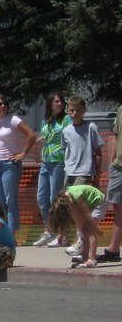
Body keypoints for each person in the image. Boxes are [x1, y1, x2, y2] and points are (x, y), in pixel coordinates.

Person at [0, 94, 36, 236]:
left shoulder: (13, 120)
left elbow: (31, 135)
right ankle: (0, 232)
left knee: (10, 200)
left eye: (4, 103)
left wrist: (23, 153)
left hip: (10, 164)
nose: (2, 106)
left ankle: (11, 233)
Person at [61, 96, 102, 255]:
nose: (75, 113)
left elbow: (98, 152)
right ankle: (80, 236)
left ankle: (81, 239)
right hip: (69, 171)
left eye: (78, 110)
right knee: (70, 205)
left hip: (84, 172)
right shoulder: (66, 130)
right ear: (68, 111)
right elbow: (67, 149)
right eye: (72, 110)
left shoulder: (91, 127)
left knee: (81, 206)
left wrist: (97, 175)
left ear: (84, 111)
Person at [33, 92, 71, 246]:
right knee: (42, 198)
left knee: (56, 199)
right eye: (56, 101)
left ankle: (63, 235)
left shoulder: (66, 119)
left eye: (61, 101)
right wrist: (42, 139)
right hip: (46, 162)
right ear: (50, 104)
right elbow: (47, 136)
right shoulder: (46, 121)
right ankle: (49, 231)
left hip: (59, 162)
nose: (59, 104)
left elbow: (69, 136)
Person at [49, 184, 105, 269]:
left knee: (90, 231)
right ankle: (85, 256)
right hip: (89, 203)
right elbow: (79, 220)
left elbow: (86, 213)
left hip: (98, 201)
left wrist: (96, 229)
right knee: (84, 230)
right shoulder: (67, 199)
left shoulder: (76, 196)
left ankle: (92, 260)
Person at [99, 104, 122, 264]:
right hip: (119, 167)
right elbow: (115, 135)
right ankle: (113, 249)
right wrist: (112, 161)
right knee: (117, 209)